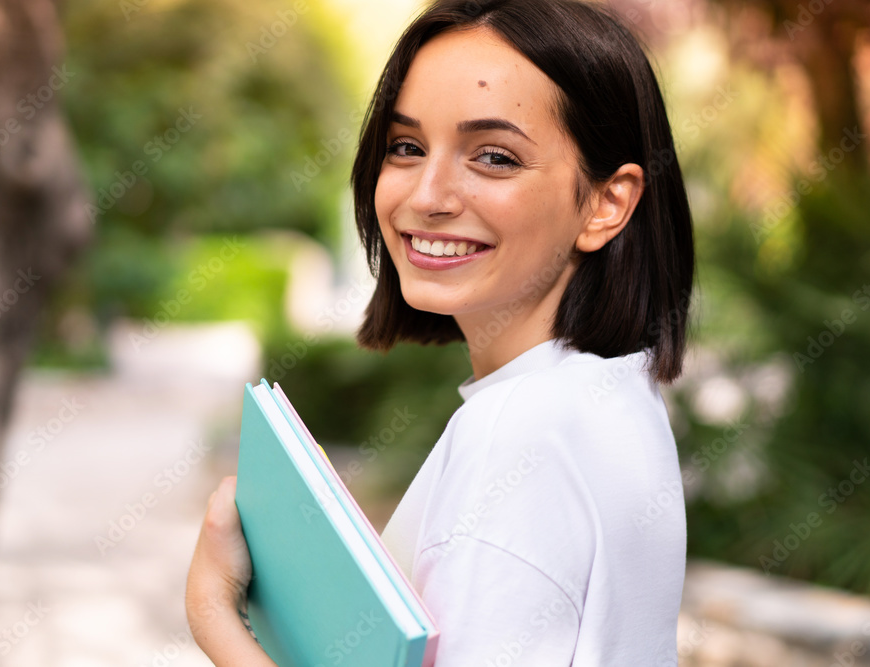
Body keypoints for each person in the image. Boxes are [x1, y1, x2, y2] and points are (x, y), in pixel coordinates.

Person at [186, 0, 694, 664]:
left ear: (608, 202)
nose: (427, 193)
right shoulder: (614, 392)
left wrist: (216, 615)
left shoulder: (519, 433)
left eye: (493, 156)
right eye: (406, 146)